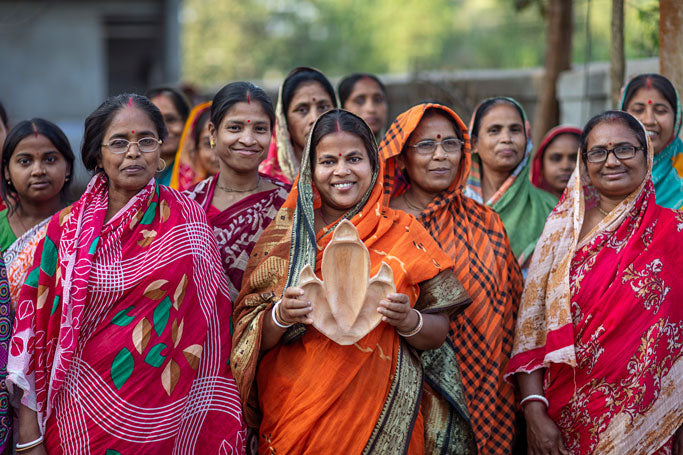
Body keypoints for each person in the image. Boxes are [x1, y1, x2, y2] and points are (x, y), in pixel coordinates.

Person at [7, 94, 245, 454]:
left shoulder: (188, 220)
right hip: (78, 420)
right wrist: (29, 436)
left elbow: (213, 323)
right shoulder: (65, 231)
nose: (133, 152)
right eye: (119, 142)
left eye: (145, 141)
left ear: (161, 149)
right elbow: (32, 334)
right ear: (97, 156)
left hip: (171, 417)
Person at [232, 109, 471, 454]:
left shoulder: (404, 231)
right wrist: (281, 315)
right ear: (310, 170)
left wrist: (408, 320)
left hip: (384, 417)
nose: (341, 172)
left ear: (374, 164)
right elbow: (247, 338)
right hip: (296, 417)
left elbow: (438, 332)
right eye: (328, 161)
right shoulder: (285, 239)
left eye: (354, 158)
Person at [507, 111, 683, 454]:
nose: (612, 161)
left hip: (654, 426)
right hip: (564, 426)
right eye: (599, 152)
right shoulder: (560, 236)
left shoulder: (675, 232)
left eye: (625, 150)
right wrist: (533, 412)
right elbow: (532, 331)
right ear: (583, 163)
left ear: (647, 156)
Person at [380, 103, 524, 454]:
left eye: (451, 145)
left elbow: (512, 314)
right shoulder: (382, 225)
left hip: (486, 390)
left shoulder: (486, 222)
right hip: (401, 394)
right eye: (426, 145)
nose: (440, 156)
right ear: (400, 158)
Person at [184, 82, 289, 302]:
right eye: (235, 128)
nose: (248, 140)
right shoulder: (187, 205)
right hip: (196, 333)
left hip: (268, 330)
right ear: (213, 132)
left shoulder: (290, 204)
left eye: (260, 129)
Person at [464, 97, 557, 269]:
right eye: (494, 130)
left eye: (515, 130)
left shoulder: (551, 209)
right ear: (474, 143)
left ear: (527, 139)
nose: (506, 138)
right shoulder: (453, 207)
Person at [0, 119, 74, 303]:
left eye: (50, 159)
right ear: (7, 171)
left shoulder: (84, 225)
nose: (38, 170)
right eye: (25, 161)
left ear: (68, 168)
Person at [258, 67, 337, 184]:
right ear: (284, 121)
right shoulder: (265, 185)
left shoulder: (358, 173)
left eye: (323, 107)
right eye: (302, 109)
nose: (314, 118)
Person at [619, 73, 683, 209]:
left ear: (677, 118)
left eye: (660, 110)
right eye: (638, 110)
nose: (649, 120)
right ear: (621, 116)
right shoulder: (604, 169)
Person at [169, 101, 220, 191]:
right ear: (194, 149)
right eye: (209, 144)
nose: (219, 152)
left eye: (227, 143)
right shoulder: (186, 198)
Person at [147, 86, 191, 185]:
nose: (164, 129)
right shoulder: (135, 170)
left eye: (171, 119)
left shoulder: (200, 169)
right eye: (155, 121)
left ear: (187, 122)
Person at [530, 126, 582, 199]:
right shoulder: (529, 206)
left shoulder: (600, 208)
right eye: (556, 158)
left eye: (575, 159)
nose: (565, 166)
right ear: (541, 164)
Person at [338, 73, 388, 140]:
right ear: (342, 108)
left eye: (378, 100)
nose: (371, 109)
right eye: (359, 101)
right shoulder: (331, 149)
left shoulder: (400, 147)